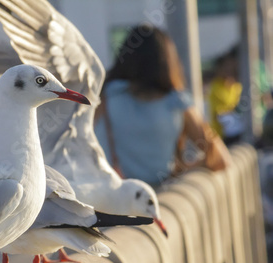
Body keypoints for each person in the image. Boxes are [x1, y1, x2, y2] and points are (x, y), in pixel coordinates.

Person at [95, 25, 231, 188]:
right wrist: (184, 169)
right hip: (162, 198)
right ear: (168, 60)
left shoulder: (106, 96)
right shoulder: (176, 102)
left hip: (116, 198)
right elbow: (221, 159)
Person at [208, 47, 244, 146]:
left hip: (239, 134)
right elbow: (221, 115)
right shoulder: (216, 87)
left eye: (231, 66)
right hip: (222, 137)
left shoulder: (237, 86)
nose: (228, 69)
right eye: (225, 66)